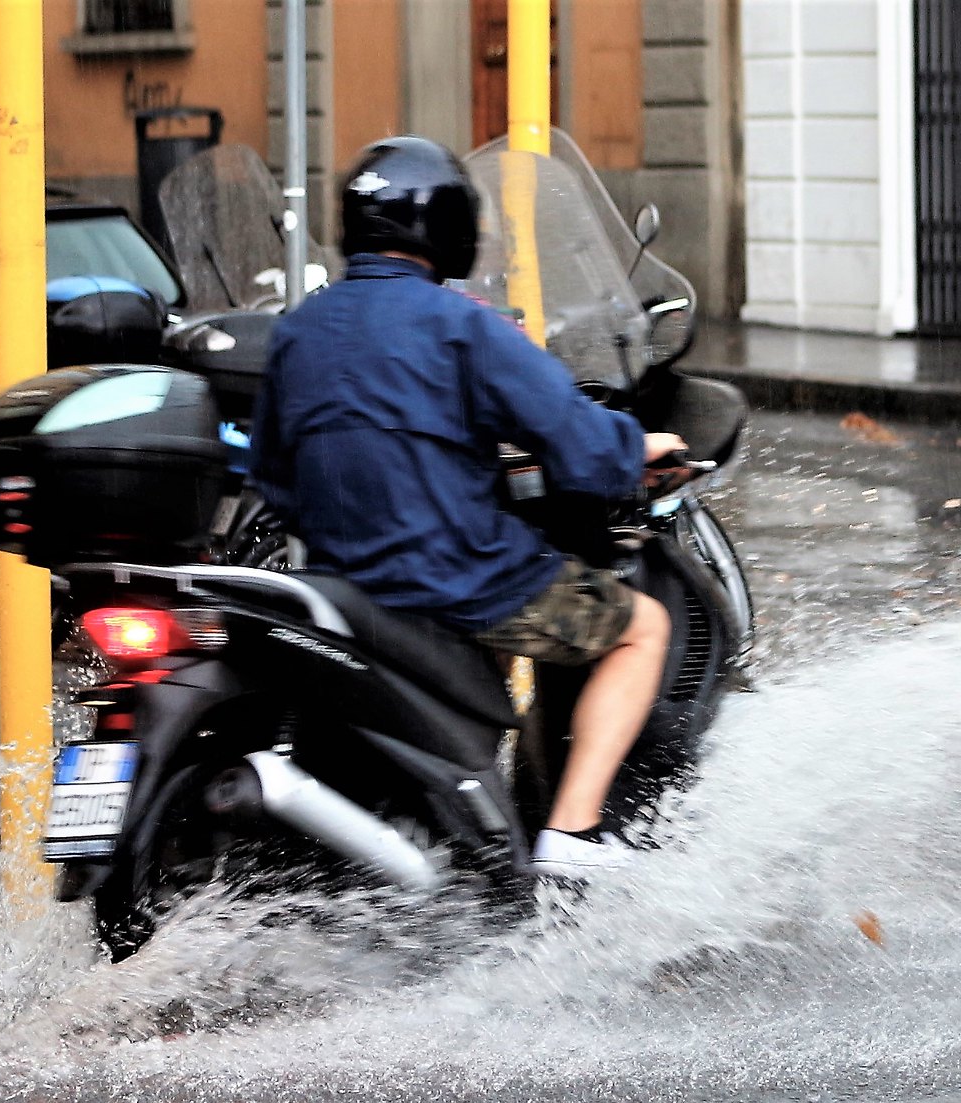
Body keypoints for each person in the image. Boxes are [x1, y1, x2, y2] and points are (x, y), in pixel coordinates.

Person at [251, 136, 682, 879]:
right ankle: (573, 837)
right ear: (448, 229)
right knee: (643, 628)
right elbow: (573, 439)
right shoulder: (459, 324)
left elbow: (273, 475)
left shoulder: (299, 330)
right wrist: (635, 449)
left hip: (342, 588)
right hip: (458, 578)